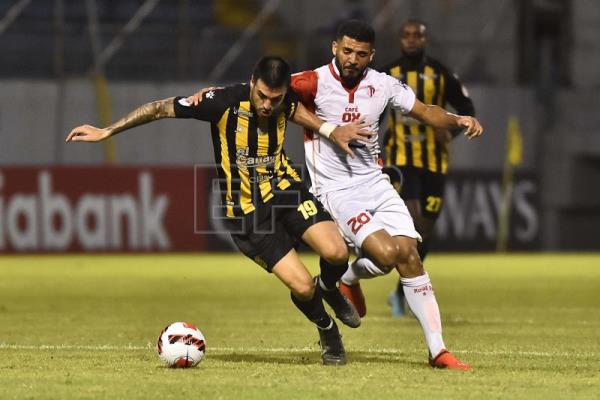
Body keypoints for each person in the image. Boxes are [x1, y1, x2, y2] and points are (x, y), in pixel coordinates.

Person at [188, 22, 483, 371]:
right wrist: (215, 93)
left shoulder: (383, 84)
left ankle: (438, 351)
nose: (352, 59)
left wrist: (458, 118)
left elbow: (425, 110)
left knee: (410, 255)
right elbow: (265, 87)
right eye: (347, 51)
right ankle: (344, 280)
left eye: (360, 54)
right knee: (387, 254)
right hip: (337, 191)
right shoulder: (312, 82)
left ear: (370, 56)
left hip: (376, 182)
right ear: (334, 48)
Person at [66, 56, 373, 366]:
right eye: (262, 96)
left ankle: (331, 287)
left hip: (285, 190)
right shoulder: (220, 102)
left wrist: (331, 131)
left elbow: (297, 110)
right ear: (252, 83)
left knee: (336, 252)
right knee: (303, 285)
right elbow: (160, 108)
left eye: (275, 99)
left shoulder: (285, 97)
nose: (268, 105)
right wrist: (107, 130)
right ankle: (327, 328)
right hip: (247, 211)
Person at [381, 19, 476, 317]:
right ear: (400, 40)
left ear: (425, 40)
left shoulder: (442, 74)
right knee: (413, 223)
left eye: (416, 36)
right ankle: (408, 291)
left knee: (426, 231)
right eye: (406, 35)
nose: (411, 40)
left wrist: (450, 132)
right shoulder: (388, 75)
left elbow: (467, 111)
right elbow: (374, 112)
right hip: (400, 161)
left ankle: (400, 291)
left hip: (434, 163)